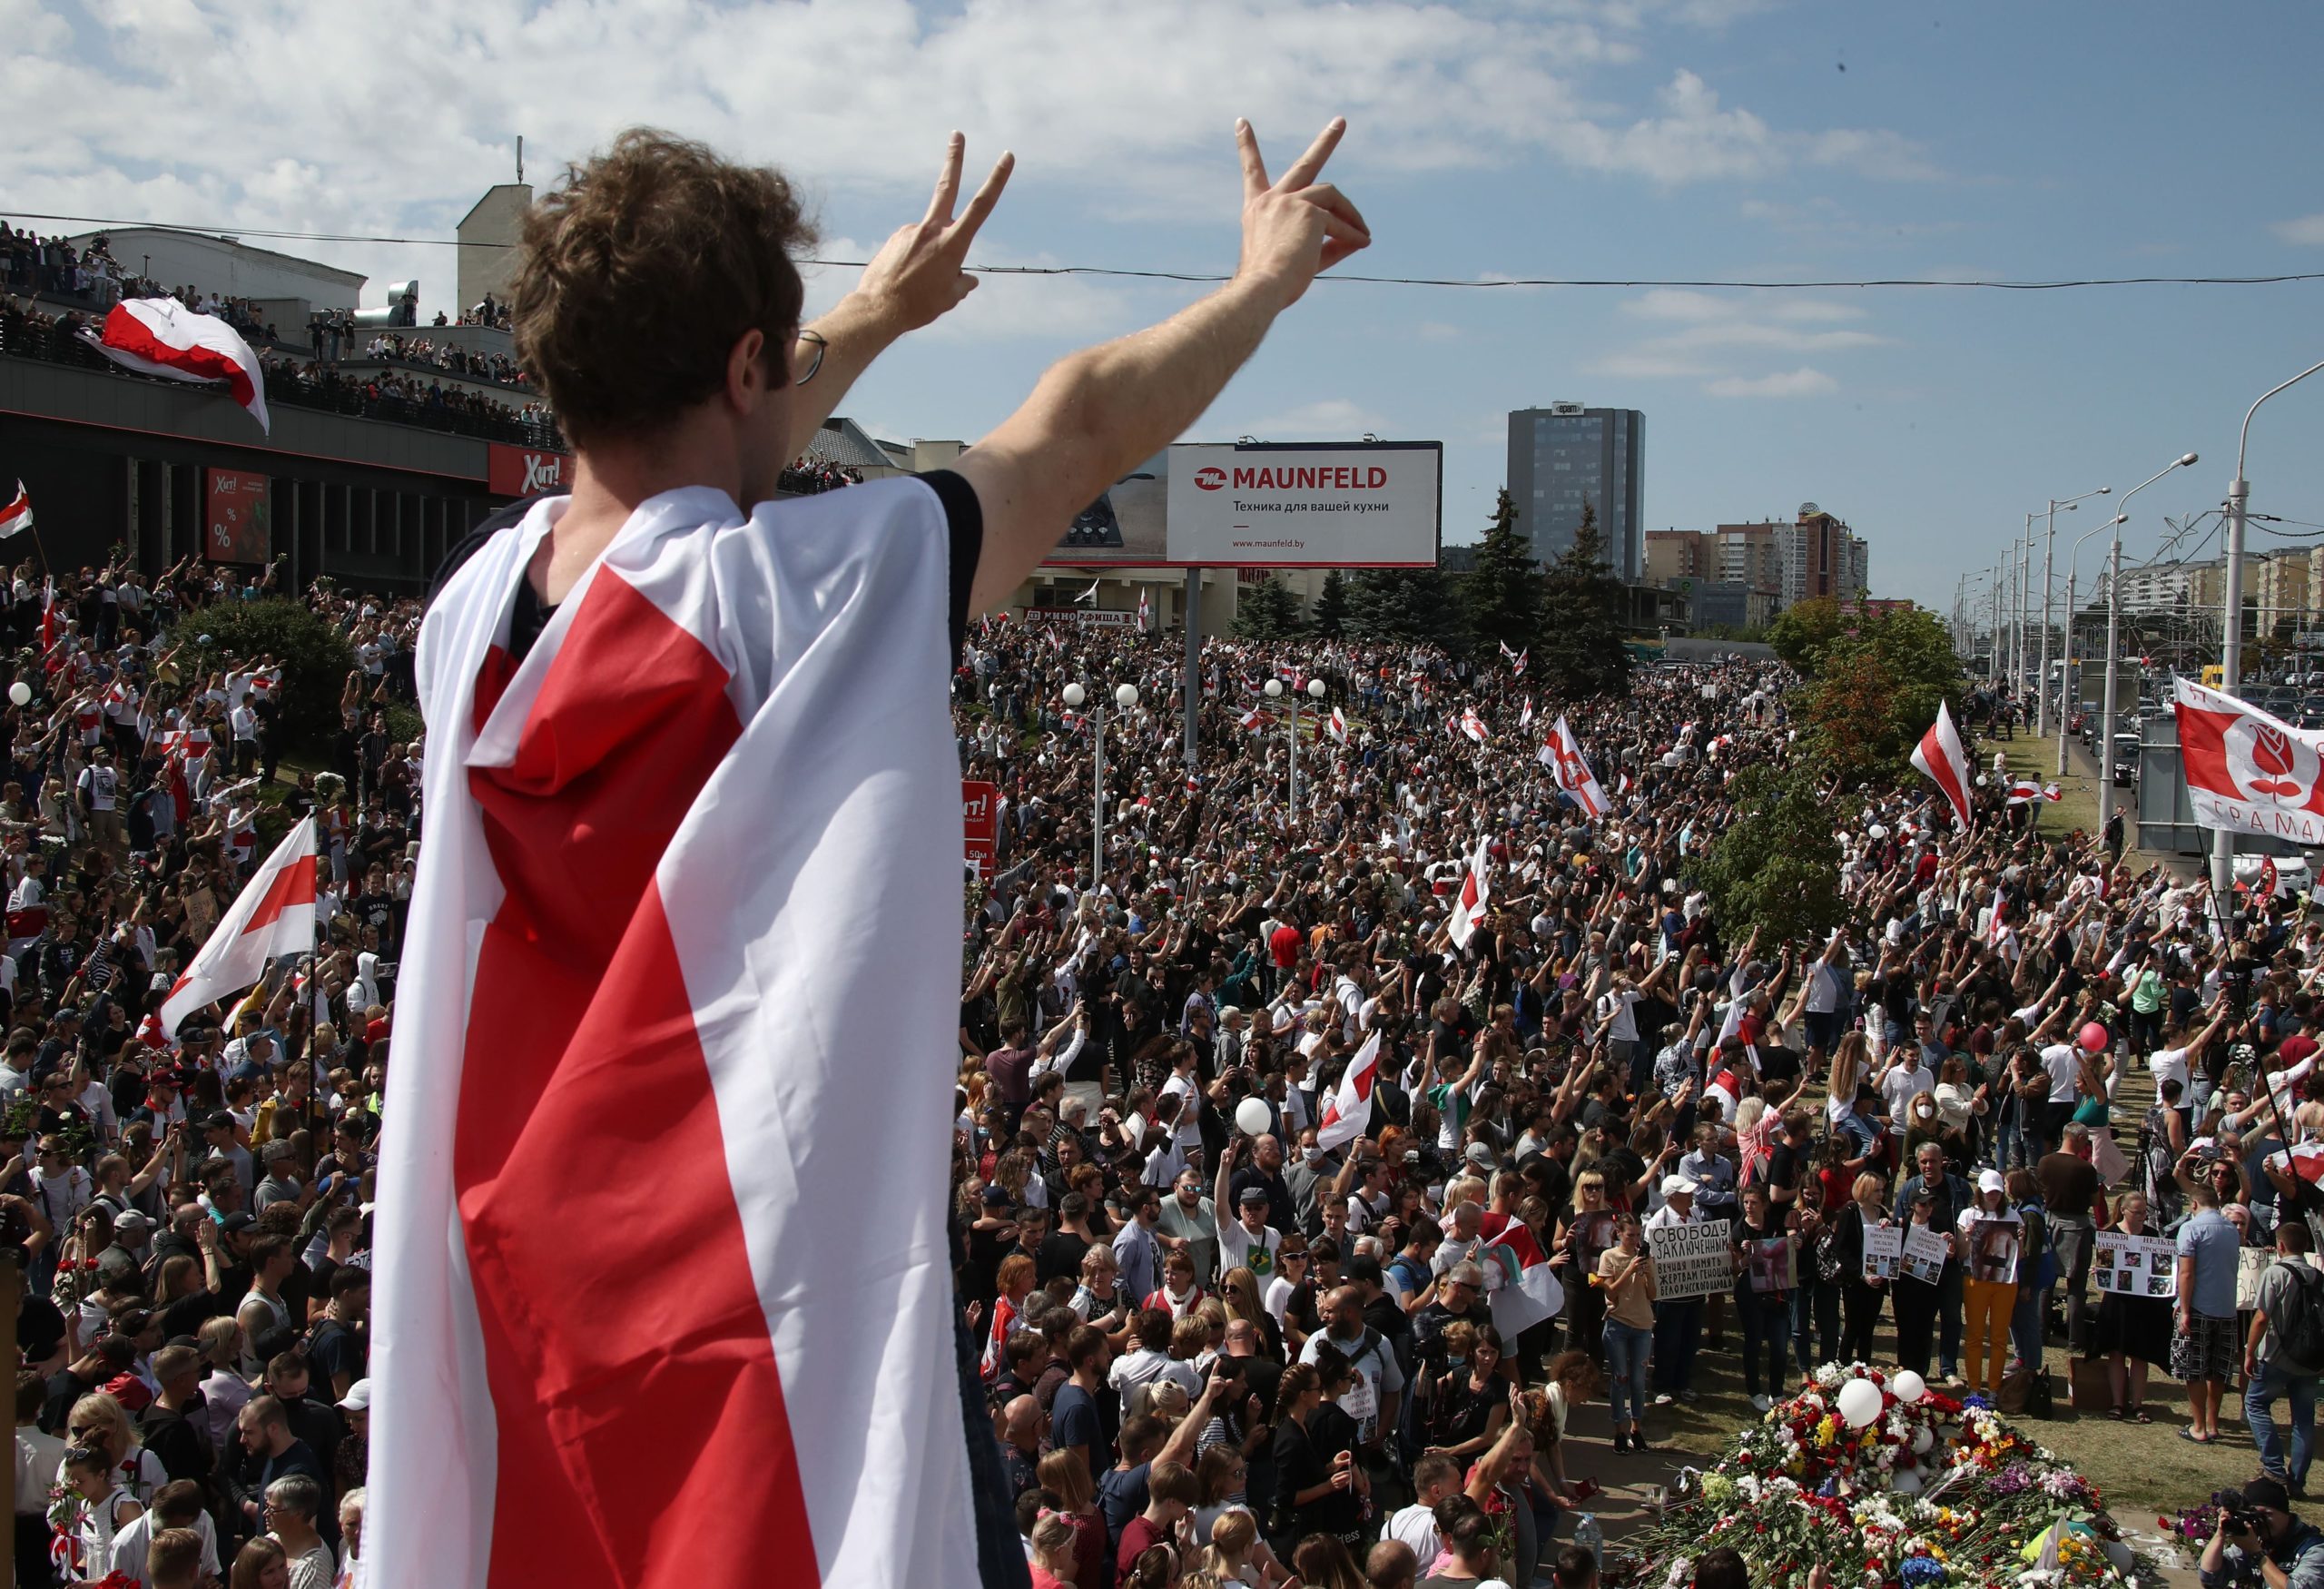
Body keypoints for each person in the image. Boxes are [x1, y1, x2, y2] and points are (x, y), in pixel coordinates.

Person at [372, 111, 1372, 1587]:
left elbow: (705, 458)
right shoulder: (821, 587)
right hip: (765, 1313)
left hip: (525, 1296)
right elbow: (1080, 420)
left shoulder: (466, 627)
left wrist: (859, 321)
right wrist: (1262, 284)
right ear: (741, 365)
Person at [2248, 1220, 2324, 1494]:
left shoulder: (2276, 1273)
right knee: (2304, 1420)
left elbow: (2261, 1317)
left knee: (2256, 1405)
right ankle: (2297, 1481)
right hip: (2309, 1359)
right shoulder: (2317, 1276)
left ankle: (2273, 1468)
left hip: (2277, 1356)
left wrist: (2249, 1352)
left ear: (2280, 1245)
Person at [2095, 1189, 2171, 1426]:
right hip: (2117, 1302)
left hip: (2143, 1303)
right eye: (2137, 1212)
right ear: (2124, 1211)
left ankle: (2137, 1403)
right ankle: (2118, 1403)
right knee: (2116, 1352)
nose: (2141, 1216)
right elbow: (2105, 1268)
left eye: (2144, 1212)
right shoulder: (2111, 1234)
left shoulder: (2151, 1235)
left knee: (2140, 1356)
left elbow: (2162, 1271)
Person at [2180, 1180, 2245, 1446]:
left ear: (2194, 1204)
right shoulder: (2232, 1230)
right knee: (2218, 1369)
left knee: (2194, 1369)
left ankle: (2198, 1426)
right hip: (2227, 1309)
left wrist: (2183, 1310)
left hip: (2199, 1307)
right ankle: (2213, 1423)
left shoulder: (2191, 1228)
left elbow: (2186, 1272)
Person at [1957, 1169, 2023, 1402]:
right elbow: (1961, 1253)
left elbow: (2019, 1256)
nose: (1993, 1196)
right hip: (1976, 1280)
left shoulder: (2014, 1217)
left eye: (1997, 1192)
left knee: (1998, 1337)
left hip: (2006, 1282)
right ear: (1980, 1192)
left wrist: (2021, 1240)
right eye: (1988, 1192)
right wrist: (1967, 1236)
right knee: (1975, 1335)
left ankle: (1994, 1388)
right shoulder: (1967, 1215)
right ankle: (1974, 1387)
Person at [2195, 1476, 2324, 1589]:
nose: (2260, 1521)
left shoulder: (2314, 1548)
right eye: (2254, 1515)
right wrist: (2221, 1533)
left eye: (2266, 1514)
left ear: (2286, 1514)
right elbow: (2210, 1578)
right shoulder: (2257, 1541)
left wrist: (2258, 1555)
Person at [1597, 1211, 1657, 1451]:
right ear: (1619, 1234)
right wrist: (1629, 1270)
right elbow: (1610, 1292)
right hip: (1618, 1324)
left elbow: (1653, 1294)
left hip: (1642, 1325)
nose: (1634, 1240)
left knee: (1638, 1379)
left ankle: (1636, 1428)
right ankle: (1619, 1431)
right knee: (1620, 1377)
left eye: (1638, 1235)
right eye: (1630, 1235)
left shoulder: (1644, 1258)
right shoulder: (1609, 1256)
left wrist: (1647, 1273)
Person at [1729, 1183, 1791, 1412]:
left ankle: (1777, 1391)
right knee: (1753, 1342)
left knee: (1778, 1344)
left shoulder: (1775, 1225)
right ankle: (1754, 1391)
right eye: (1746, 1202)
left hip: (1775, 1290)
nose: (1749, 1207)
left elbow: (1785, 1252)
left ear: (1764, 1204)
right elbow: (1735, 1269)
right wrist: (1744, 1257)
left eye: (1754, 1202)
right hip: (1750, 1293)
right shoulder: (1738, 1230)